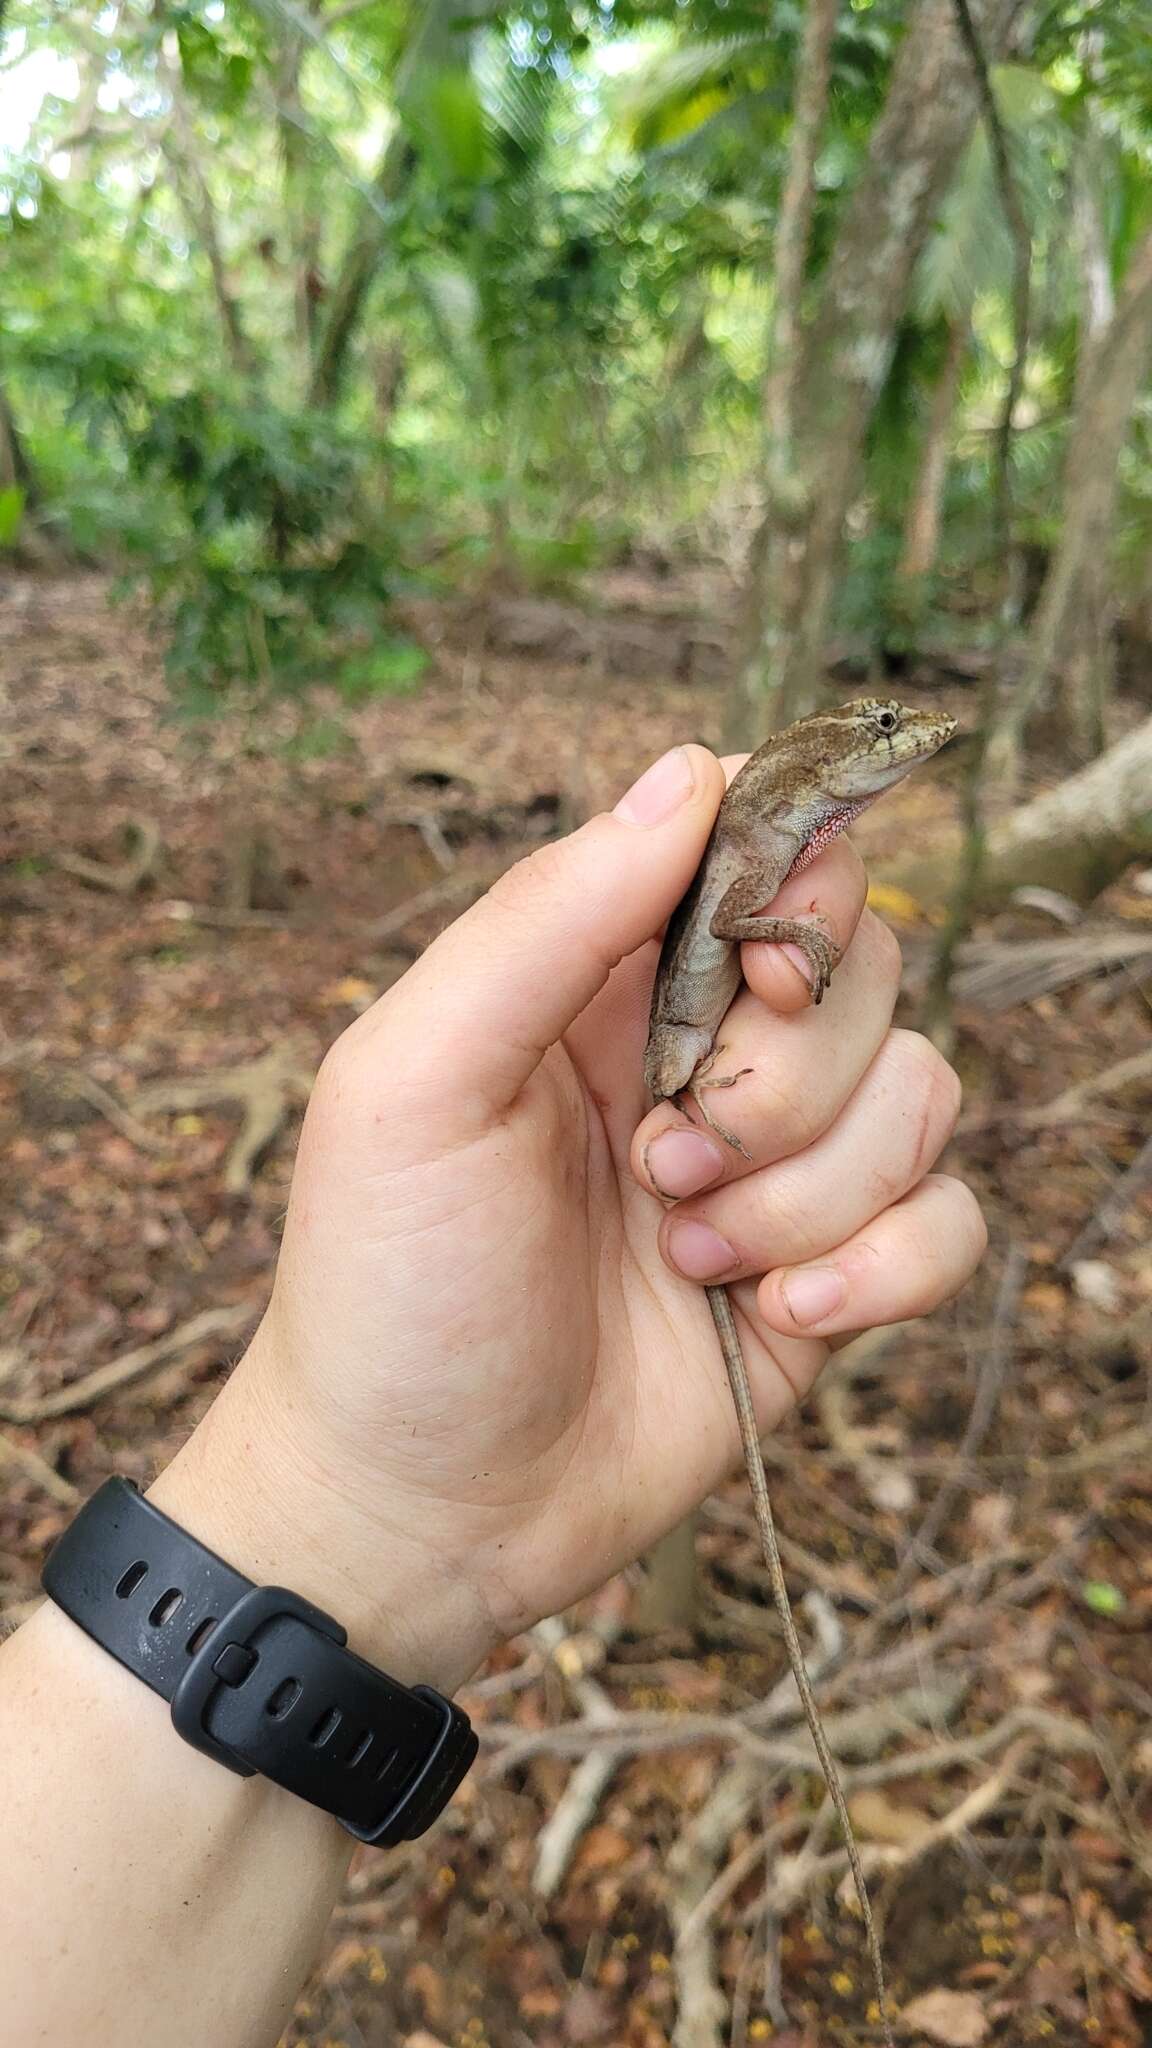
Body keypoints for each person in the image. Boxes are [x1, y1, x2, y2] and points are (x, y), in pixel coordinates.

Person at [0, 743, 984, 2047]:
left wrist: (366, 1531)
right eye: (869, 733)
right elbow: (749, 920)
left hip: (674, 1128)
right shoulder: (749, 848)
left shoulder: (775, 854)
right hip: (677, 1091)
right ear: (813, 771)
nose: (897, 748)